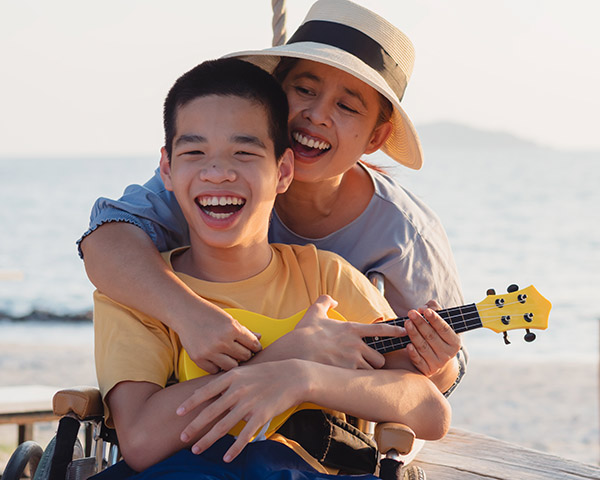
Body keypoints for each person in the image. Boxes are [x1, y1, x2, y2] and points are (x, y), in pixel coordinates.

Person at [79, 0, 465, 393]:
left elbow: (440, 372)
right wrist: (191, 316)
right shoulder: (218, 181)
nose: (317, 115)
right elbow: (106, 241)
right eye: (303, 89)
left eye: (346, 106)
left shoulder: (406, 233)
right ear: (275, 94)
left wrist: (436, 362)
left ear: (376, 138)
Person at [92, 57, 451, 479]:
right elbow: (142, 441)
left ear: (283, 171)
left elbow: (428, 408)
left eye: (244, 153)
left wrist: (303, 377)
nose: (218, 172)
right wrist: (284, 354)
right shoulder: (142, 290)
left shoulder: (328, 278)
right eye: (194, 152)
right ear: (167, 170)